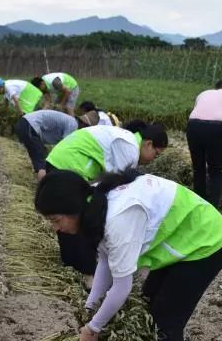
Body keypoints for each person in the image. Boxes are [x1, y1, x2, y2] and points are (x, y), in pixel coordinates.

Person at [35, 169, 222, 341]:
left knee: (164, 326)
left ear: (73, 210)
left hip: (205, 242)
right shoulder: (93, 202)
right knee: (144, 317)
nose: (56, 228)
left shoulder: (118, 217)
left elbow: (121, 288)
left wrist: (94, 327)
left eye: (56, 220)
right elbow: (106, 260)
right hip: (178, 242)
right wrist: (90, 307)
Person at [45, 120, 168, 288]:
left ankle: (72, 263)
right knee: (81, 218)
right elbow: (116, 187)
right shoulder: (130, 148)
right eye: (157, 154)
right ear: (148, 144)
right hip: (70, 164)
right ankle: (89, 275)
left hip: (62, 160)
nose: (154, 159)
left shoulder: (127, 140)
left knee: (71, 216)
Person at [186, 79, 222, 208]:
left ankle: (198, 206)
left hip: (192, 126)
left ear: (215, 88)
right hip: (214, 129)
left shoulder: (203, 94)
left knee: (198, 169)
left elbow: (199, 114)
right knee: (215, 172)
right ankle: (213, 209)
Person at [13, 109, 99, 181]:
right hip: (29, 125)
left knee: (42, 157)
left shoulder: (71, 122)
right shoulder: (73, 125)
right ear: (85, 125)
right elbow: (64, 147)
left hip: (26, 124)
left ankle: (42, 180)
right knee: (41, 164)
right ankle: (42, 187)